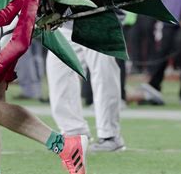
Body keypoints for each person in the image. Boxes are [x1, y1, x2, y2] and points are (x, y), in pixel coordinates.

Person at [46, 21, 126, 153]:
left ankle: (110, 136)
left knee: (103, 75)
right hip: (63, 22)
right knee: (58, 75)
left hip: (97, 18)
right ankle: (73, 132)